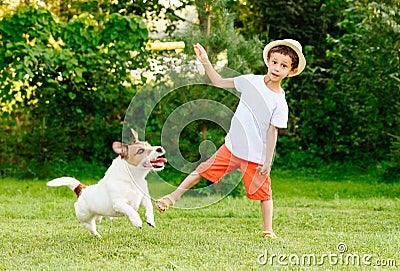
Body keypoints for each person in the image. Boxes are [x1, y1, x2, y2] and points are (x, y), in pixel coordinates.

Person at [155, 39, 306, 238]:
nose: (277, 68)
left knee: (264, 195)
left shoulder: (280, 102)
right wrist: (205, 61)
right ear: (268, 61)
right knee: (201, 171)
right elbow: (218, 82)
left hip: (256, 156)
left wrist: (267, 162)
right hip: (233, 148)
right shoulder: (250, 81)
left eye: (284, 65)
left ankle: (268, 230)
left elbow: (272, 133)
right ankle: (171, 198)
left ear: (291, 71)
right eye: (275, 62)